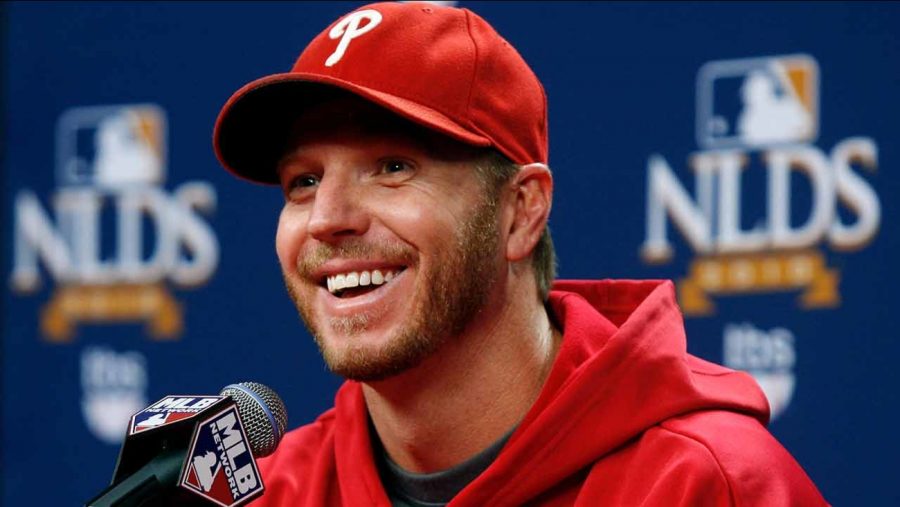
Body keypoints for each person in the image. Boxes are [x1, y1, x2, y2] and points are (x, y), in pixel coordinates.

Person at [213, 2, 828, 505]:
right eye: (304, 181)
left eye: (392, 167)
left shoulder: (700, 484)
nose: (327, 220)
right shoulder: (277, 492)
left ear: (522, 210)